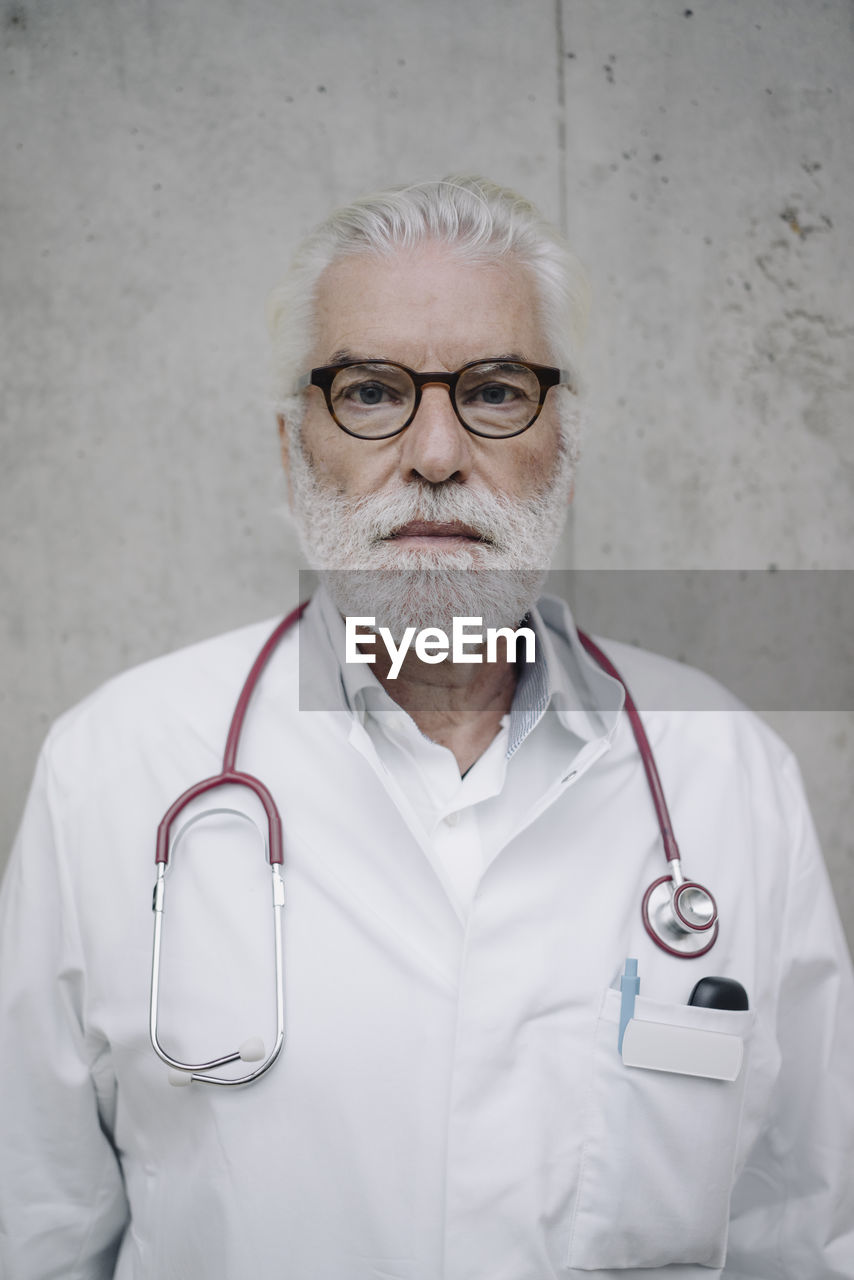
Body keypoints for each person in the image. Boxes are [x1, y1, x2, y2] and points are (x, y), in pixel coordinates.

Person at [0, 176, 852, 1280]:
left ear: (567, 444)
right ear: (291, 446)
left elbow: (803, 1234)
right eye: (368, 392)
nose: (438, 452)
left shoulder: (726, 772)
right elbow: (36, 1226)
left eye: (495, 392)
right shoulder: (112, 770)